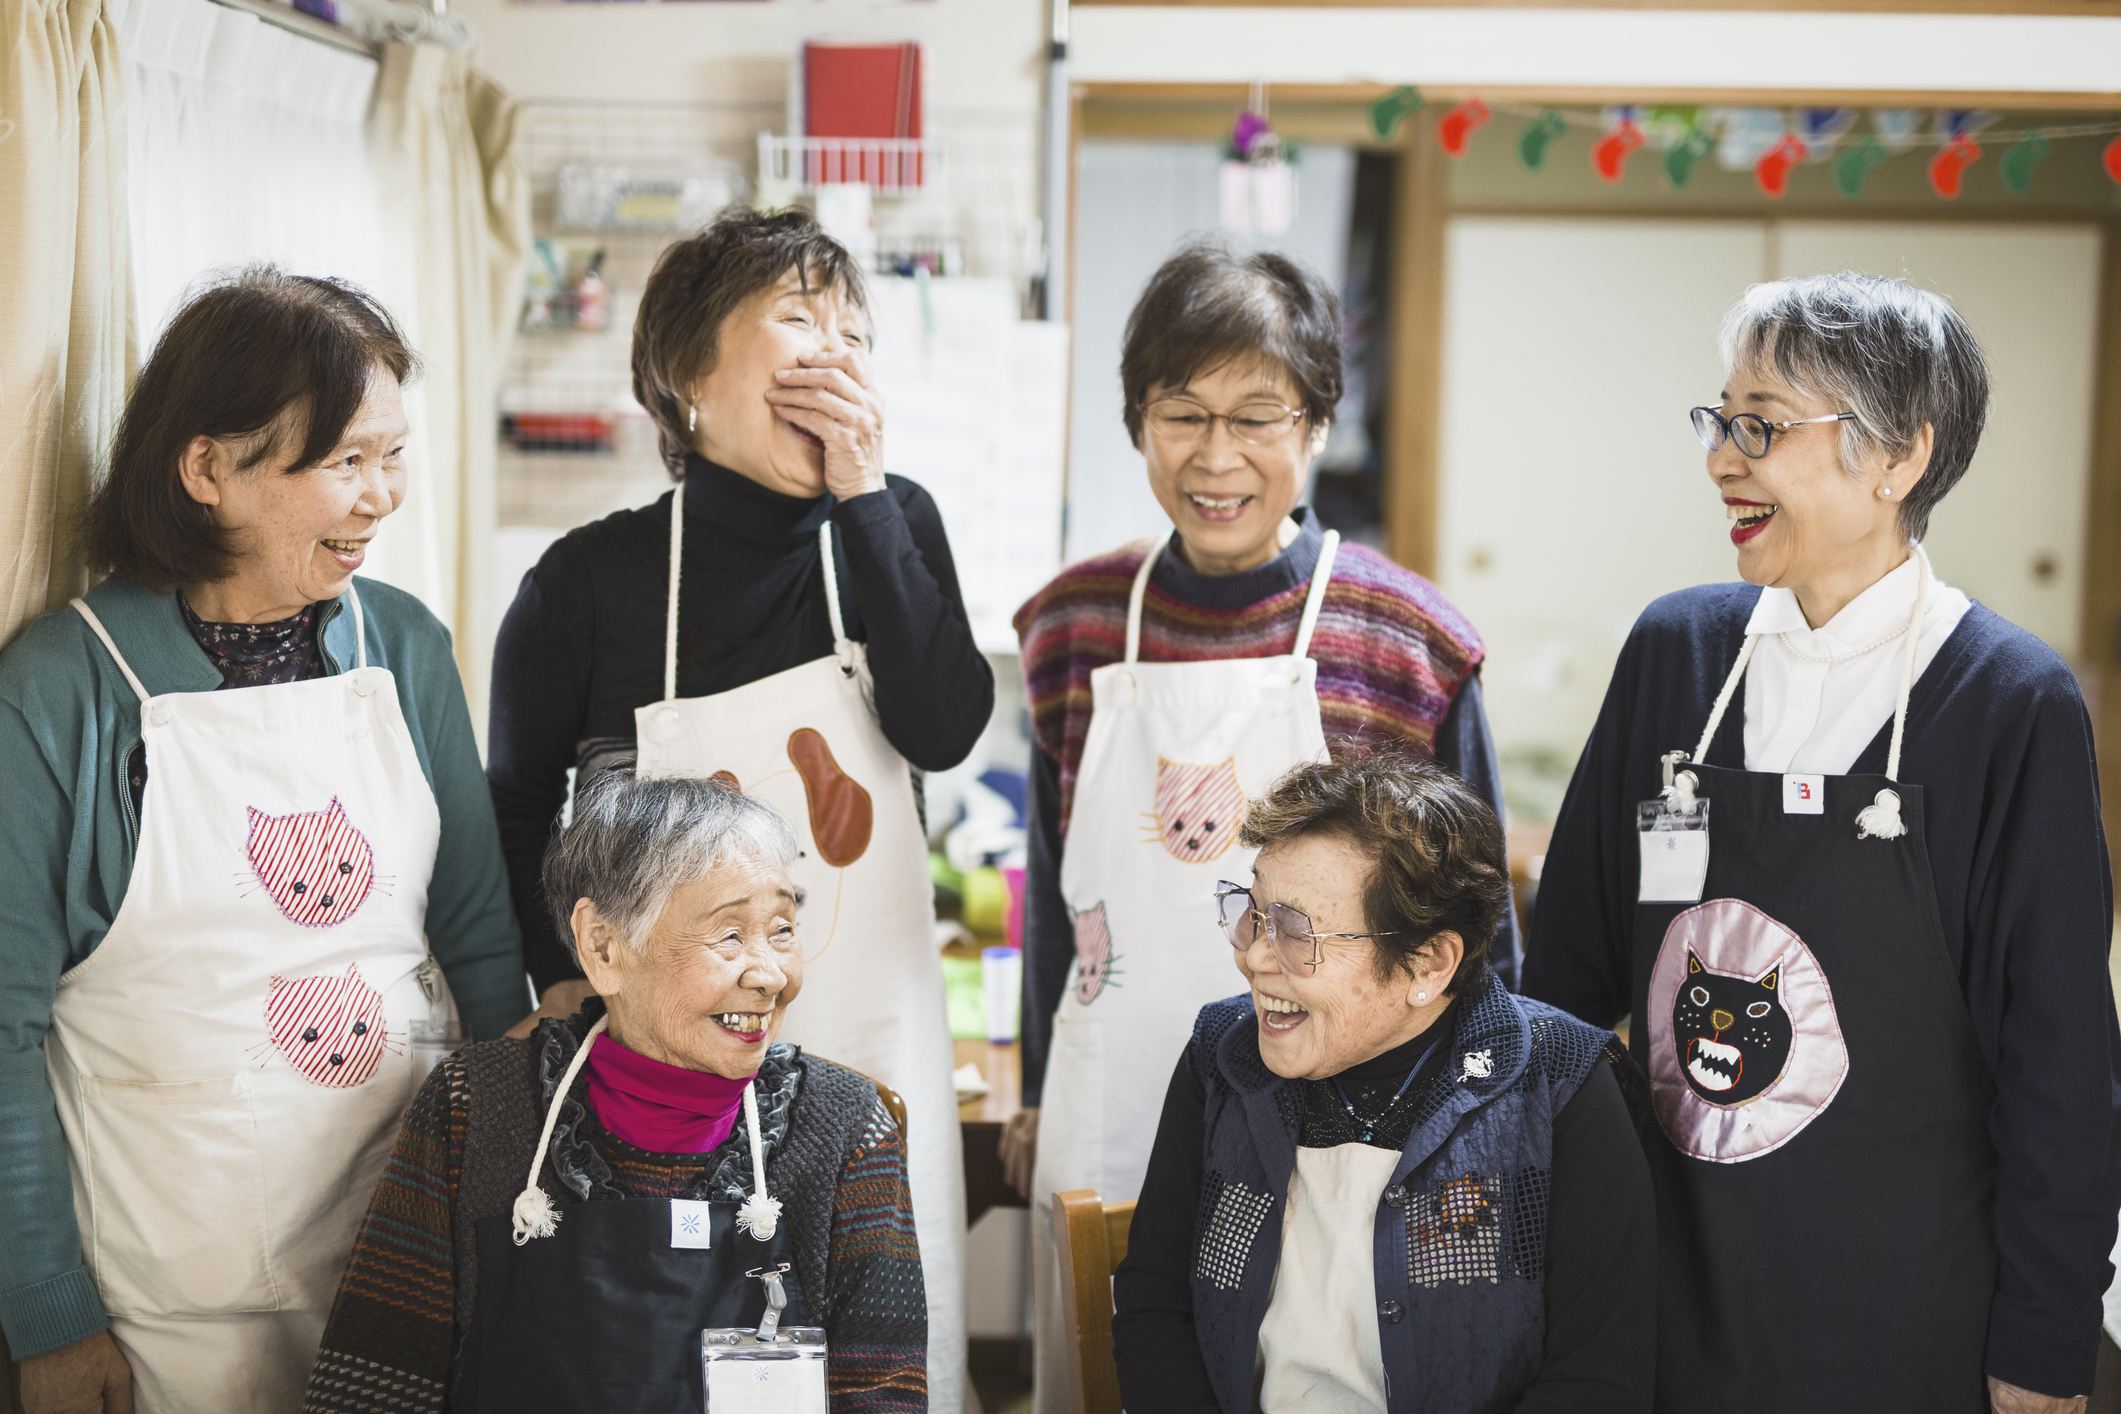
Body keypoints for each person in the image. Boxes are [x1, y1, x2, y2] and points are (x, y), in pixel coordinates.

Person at [1521, 273, 2120, 1414]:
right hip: (1664, 1280)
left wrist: (2044, 1341)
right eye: (1722, 421)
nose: (1722, 461)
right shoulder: (1675, 654)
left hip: (1904, 1304)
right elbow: (1564, 987)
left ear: (1897, 458)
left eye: (1763, 426)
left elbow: (2060, 1066)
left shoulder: (2008, 702)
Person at [486, 206, 987, 1406]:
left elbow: (944, 726)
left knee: (880, 1355)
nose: (837, 352)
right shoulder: (585, 584)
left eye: (855, 331)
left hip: (872, 1029)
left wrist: (866, 497)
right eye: (799, 320)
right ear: (686, 381)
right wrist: (555, 973)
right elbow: (512, 810)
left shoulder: (895, 524)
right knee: (682, 1360)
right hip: (662, 1069)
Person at [0, 269, 525, 1414]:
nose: (382, 496)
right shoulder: (64, 688)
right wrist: (47, 1316)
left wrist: (522, 1238)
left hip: (413, 1273)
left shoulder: (407, 650)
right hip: (165, 1315)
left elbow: (482, 954)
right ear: (209, 471)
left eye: (393, 456)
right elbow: (3, 1027)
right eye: (345, 462)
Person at [1006, 242, 1513, 1410]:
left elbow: (1476, 932)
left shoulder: (1405, 637)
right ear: (1138, 424)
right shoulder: (1074, 624)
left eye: (1256, 415)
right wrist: (1037, 1083)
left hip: (1353, 1123)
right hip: (1115, 1099)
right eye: (1181, 414)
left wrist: (1477, 1140)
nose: (1216, 456)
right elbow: (1055, 886)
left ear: (1318, 422)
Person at [304, 771, 927, 1412]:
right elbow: (373, 1381)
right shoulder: (474, 1106)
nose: (771, 976)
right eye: (731, 935)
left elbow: (885, 1396)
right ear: (604, 948)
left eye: (783, 929)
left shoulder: (848, 1126)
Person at [1113, 754, 1654, 1413]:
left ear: (1427, 961)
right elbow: (1154, 1306)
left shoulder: (1558, 1081)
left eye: (1295, 931)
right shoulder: (1222, 1058)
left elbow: (1597, 1376)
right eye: (1251, 913)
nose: (1254, 957)